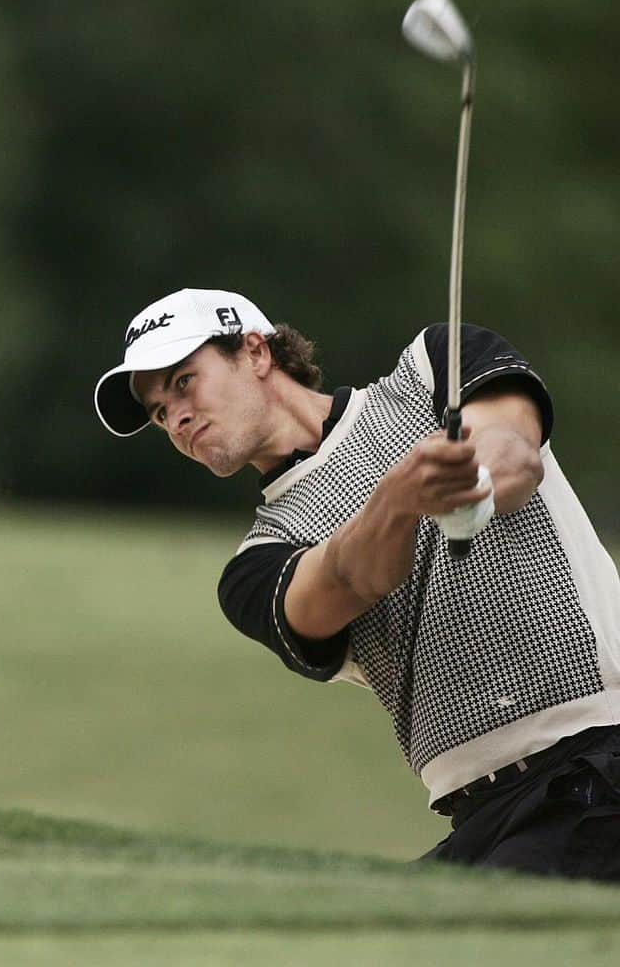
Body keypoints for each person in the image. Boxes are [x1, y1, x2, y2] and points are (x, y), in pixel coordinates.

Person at [94, 287, 620, 880]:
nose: (177, 419)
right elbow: (353, 575)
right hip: (482, 813)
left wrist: (471, 481)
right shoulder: (255, 564)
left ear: (255, 352)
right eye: (161, 412)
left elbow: (514, 452)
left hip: (598, 757)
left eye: (184, 382)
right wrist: (400, 498)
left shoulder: (433, 365)